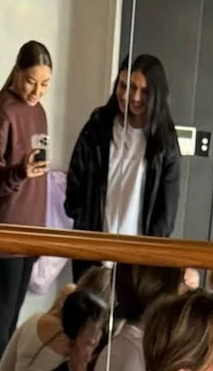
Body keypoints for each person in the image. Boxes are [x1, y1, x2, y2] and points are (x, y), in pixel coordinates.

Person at [0, 40, 53, 371]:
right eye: (31, 81)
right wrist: (19, 171)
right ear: (17, 73)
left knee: (16, 313)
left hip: (31, 224)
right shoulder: (2, 110)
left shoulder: (38, 111)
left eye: (46, 84)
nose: (37, 90)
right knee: (4, 311)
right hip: (7, 225)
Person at [65, 54, 182, 241]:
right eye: (124, 86)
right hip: (92, 247)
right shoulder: (97, 126)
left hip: (137, 254)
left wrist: (151, 248)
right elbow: (75, 181)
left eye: (143, 90)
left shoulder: (164, 141)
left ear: (155, 94)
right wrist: (82, 220)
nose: (131, 96)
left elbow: (166, 210)